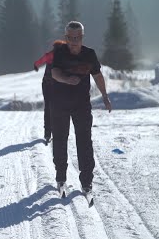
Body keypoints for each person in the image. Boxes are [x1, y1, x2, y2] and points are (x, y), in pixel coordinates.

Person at [47, 21, 111, 199]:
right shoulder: (59, 52)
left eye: (78, 38)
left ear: (82, 37)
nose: (74, 42)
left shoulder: (89, 54)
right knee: (60, 140)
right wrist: (67, 80)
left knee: (84, 141)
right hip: (59, 104)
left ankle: (86, 182)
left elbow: (97, 75)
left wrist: (105, 96)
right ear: (66, 37)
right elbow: (54, 73)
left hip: (81, 104)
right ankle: (61, 178)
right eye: (71, 38)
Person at [33, 39, 66, 143]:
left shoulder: (49, 55)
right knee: (59, 107)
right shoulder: (64, 57)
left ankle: (47, 133)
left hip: (46, 84)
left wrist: (36, 67)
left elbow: (37, 63)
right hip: (58, 86)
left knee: (48, 107)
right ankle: (58, 131)